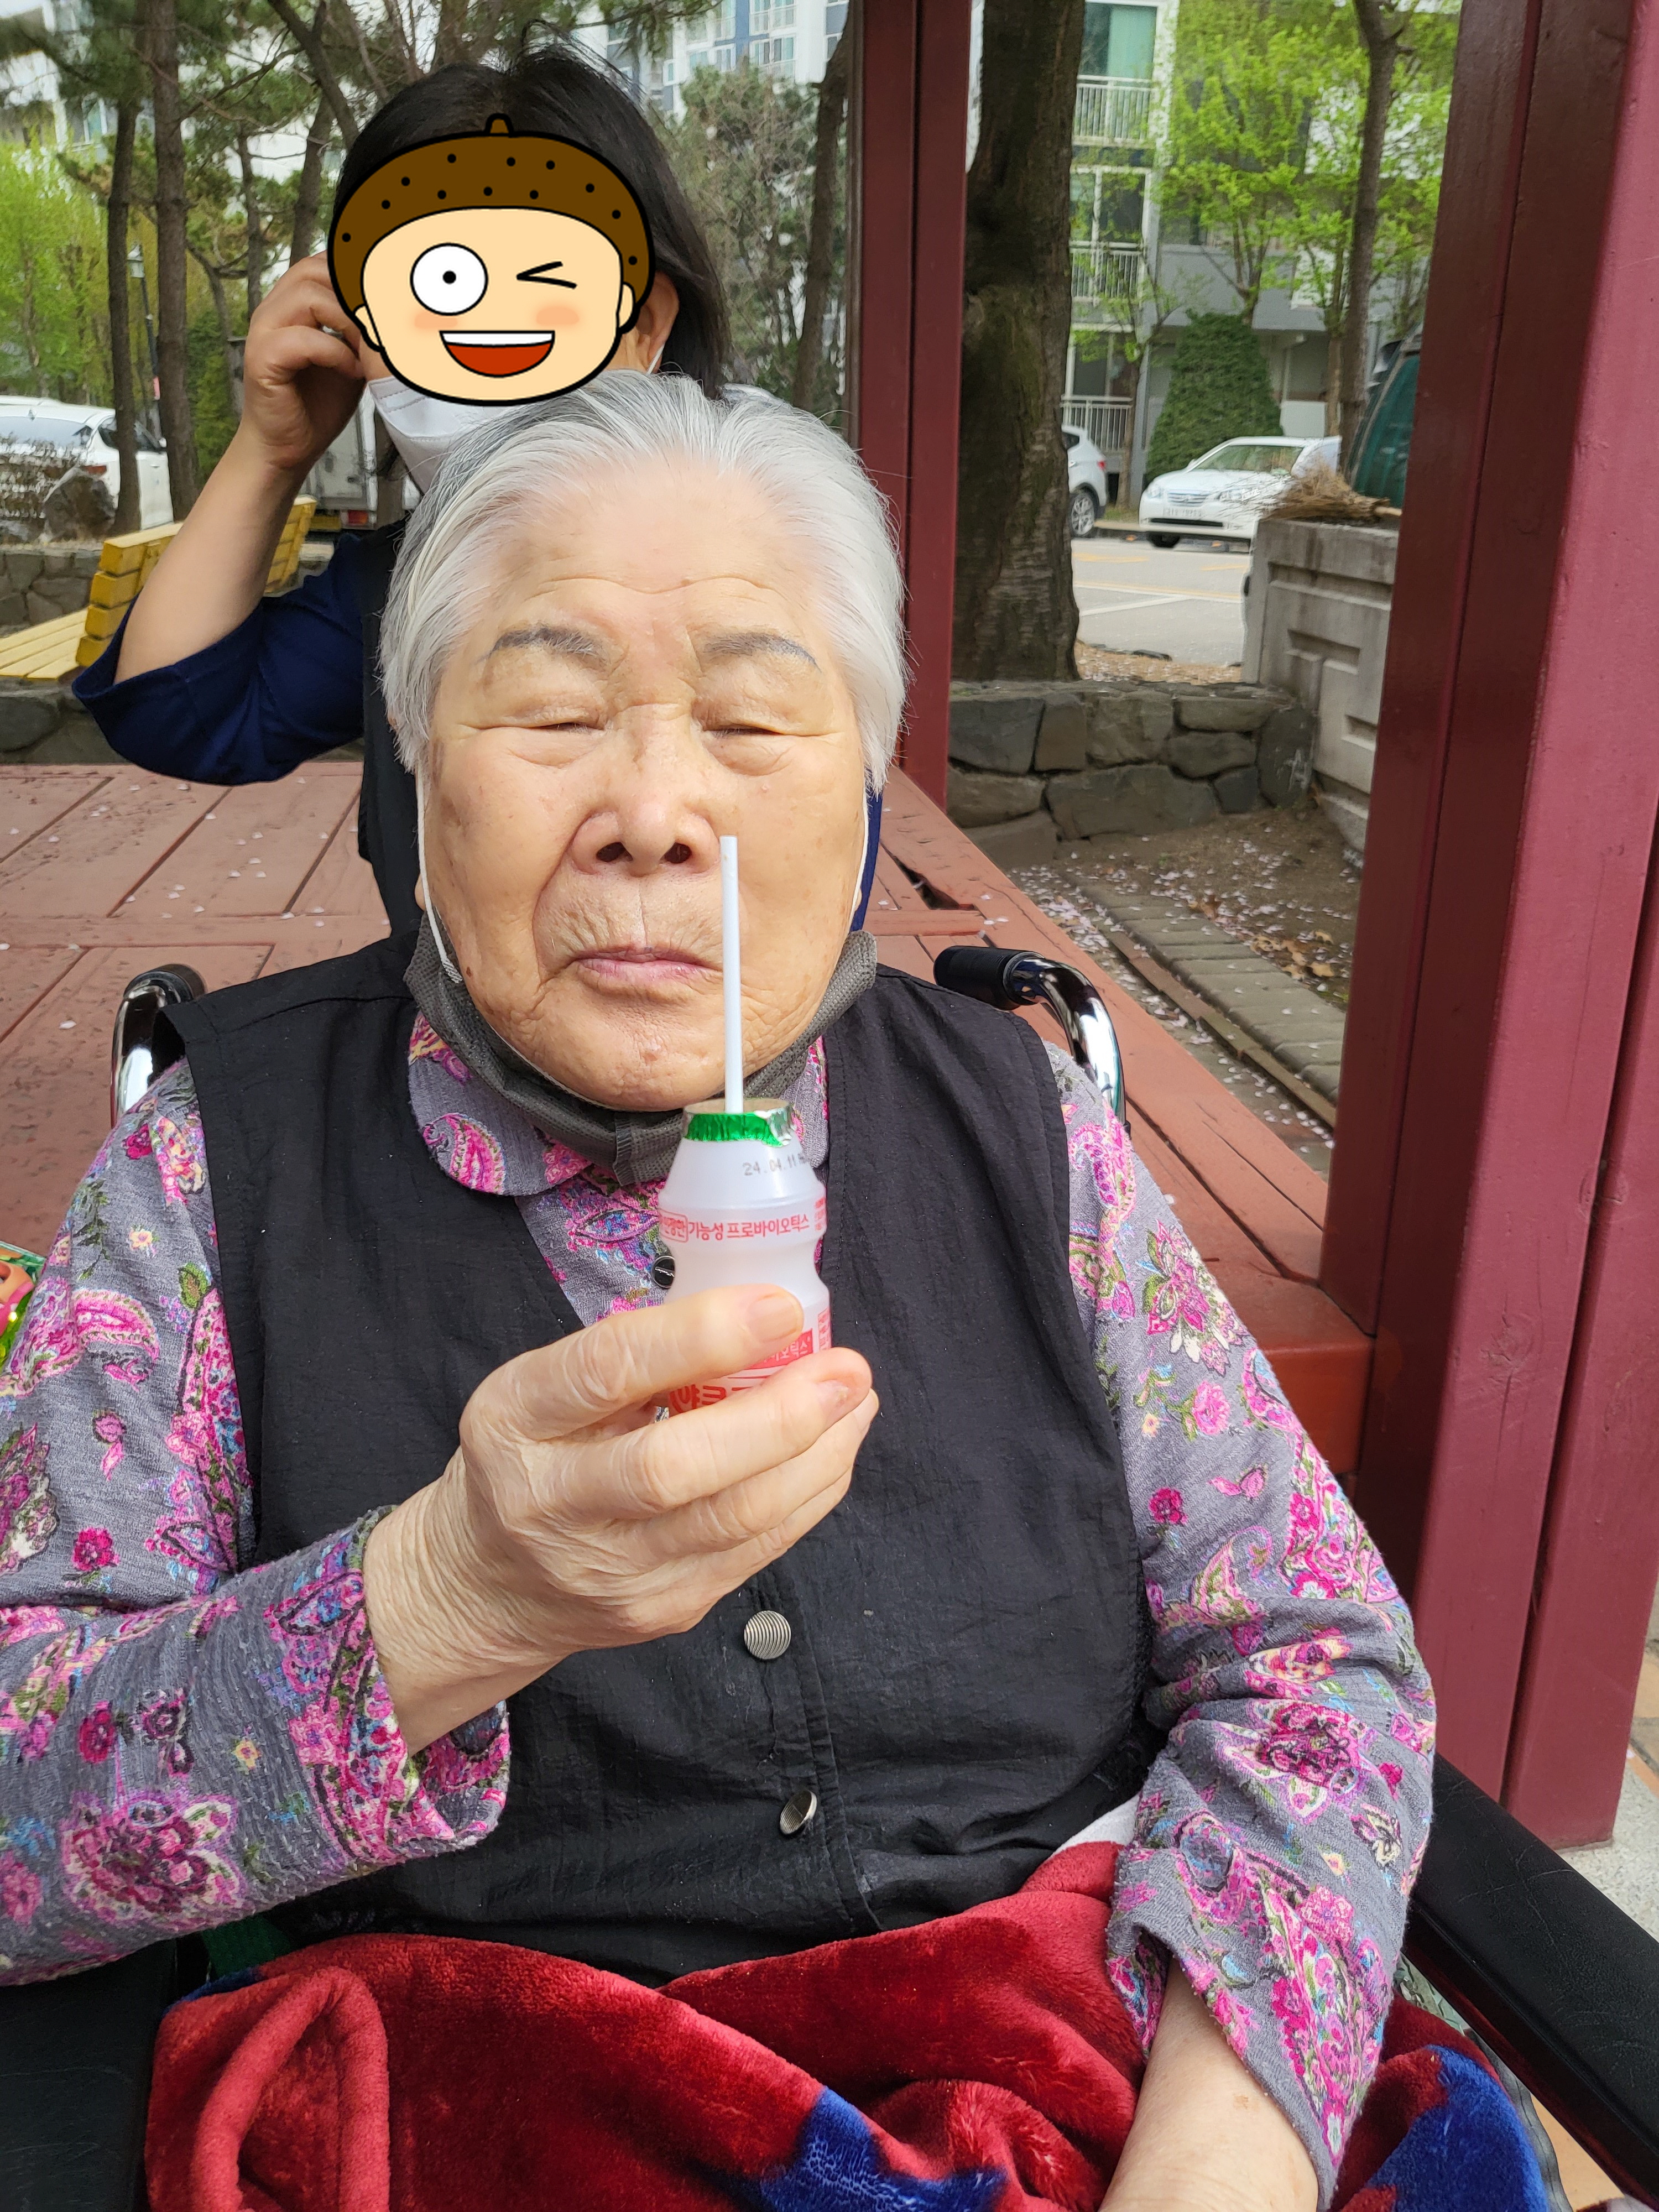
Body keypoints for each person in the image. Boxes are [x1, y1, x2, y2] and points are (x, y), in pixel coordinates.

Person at [0, 376, 1434, 2211]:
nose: (655, 812)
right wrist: (440, 1601)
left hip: (1087, 2093)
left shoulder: (1027, 1134)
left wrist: (1215, 2164)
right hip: (481, 2120)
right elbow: (22, 1813)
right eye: (554, 712)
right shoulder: (215, 1169)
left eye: (753, 720)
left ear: (864, 784)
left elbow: (1316, 1664)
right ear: (420, 770)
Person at [70, 42, 729, 937]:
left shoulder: (773, 569)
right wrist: (269, 453)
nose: (485, 341)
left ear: (643, 322)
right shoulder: (395, 592)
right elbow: (177, 716)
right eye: (439, 289)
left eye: (542, 282)